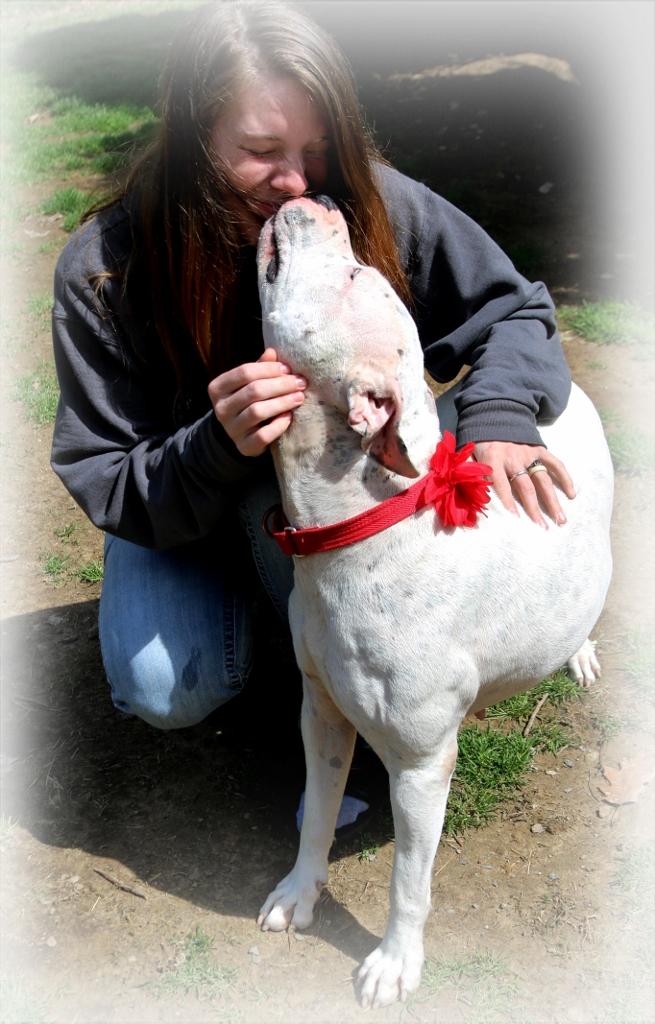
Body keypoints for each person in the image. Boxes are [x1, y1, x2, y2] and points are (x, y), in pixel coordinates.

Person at [51, 0, 575, 735]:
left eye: (318, 146)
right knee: (167, 688)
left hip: (339, 485)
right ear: (191, 140)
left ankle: (347, 660)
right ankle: (273, 632)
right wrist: (211, 448)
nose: (297, 182)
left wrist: (498, 415)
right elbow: (104, 473)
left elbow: (513, 311)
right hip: (181, 507)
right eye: (261, 149)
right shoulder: (105, 268)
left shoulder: (371, 203)